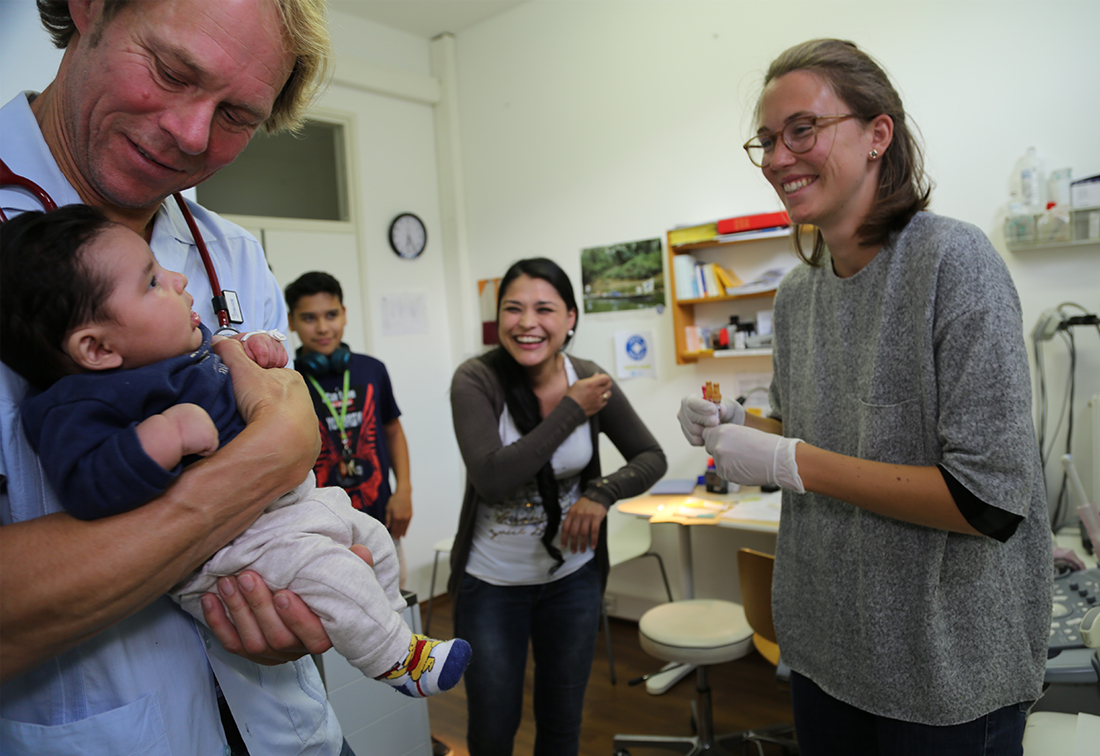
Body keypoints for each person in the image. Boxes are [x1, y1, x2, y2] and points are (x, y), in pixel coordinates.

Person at [0, 1, 366, 753]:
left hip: (286, 731)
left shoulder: (232, 256)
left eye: (236, 115)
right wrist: (265, 459)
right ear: (88, 7)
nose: (193, 135)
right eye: (170, 71)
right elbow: (279, 449)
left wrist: (293, 604)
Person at [677, 39, 1052, 754]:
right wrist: (739, 423)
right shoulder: (796, 294)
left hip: (943, 671)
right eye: (766, 140)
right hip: (826, 650)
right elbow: (808, 426)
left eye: (802, 130)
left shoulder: (954, 263)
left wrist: (787, 459)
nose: (780, 157)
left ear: (878, 134)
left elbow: (989, 501)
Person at [1, 205, 471, 698]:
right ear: (96, 349)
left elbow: (244, 365)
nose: (179, 278)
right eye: (153, 282)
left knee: (370, 538)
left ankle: (388, 622)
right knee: (333, 574)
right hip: (231, 549)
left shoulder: (180, 349)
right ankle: (398, 661)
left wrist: (258, 352)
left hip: (286, 508)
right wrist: (165, 437)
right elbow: (86, 484)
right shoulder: (77, 404)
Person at [448, 257, 667, 756]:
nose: (527, 323)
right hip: (492, 586)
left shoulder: (590, 378)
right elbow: (492, 476)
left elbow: (651, 456)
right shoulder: (477, 380)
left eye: (544, 309)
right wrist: (572, 409)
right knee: (491, 728)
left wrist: (601, 494)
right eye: (513, 309)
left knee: (563, 723)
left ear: (570, 318)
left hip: (573, 580)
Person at [285, 271, 413, 588]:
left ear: (345, 314)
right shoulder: (286, 379)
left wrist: (404, 490)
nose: (323, 327)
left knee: (395, 606)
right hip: (320, 530)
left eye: (331, 314)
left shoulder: (372, 369)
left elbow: (393, 431)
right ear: (291, 322)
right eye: (309, 318)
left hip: (379, 518)